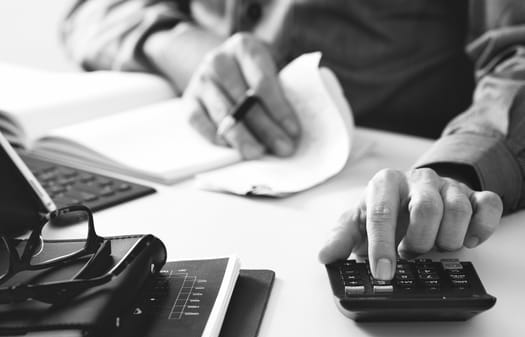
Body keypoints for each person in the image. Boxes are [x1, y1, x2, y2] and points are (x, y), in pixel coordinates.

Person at [62, 0, 525, 280]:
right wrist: (184, 46)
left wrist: (450, 174)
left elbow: (517, 53)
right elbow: (91, 10)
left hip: (390, 185)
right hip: (187, 177)